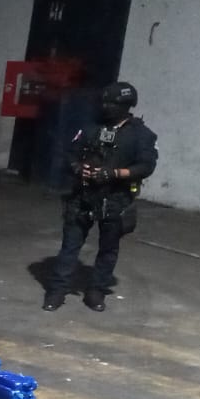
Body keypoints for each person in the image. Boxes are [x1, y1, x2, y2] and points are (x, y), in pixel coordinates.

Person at [44, 81, 159, 312]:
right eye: (104, 102)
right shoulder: (90, 128)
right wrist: (78, 168)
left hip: (116, 198)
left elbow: (146, 166)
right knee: (70, 246)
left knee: (108, 249)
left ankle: (96, 291)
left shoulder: (141, 135)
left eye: (112, 103)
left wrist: (115, 173)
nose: (106, 107)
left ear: (127, 105)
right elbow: (69, 154)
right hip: (83, 195)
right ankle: (57, 290)